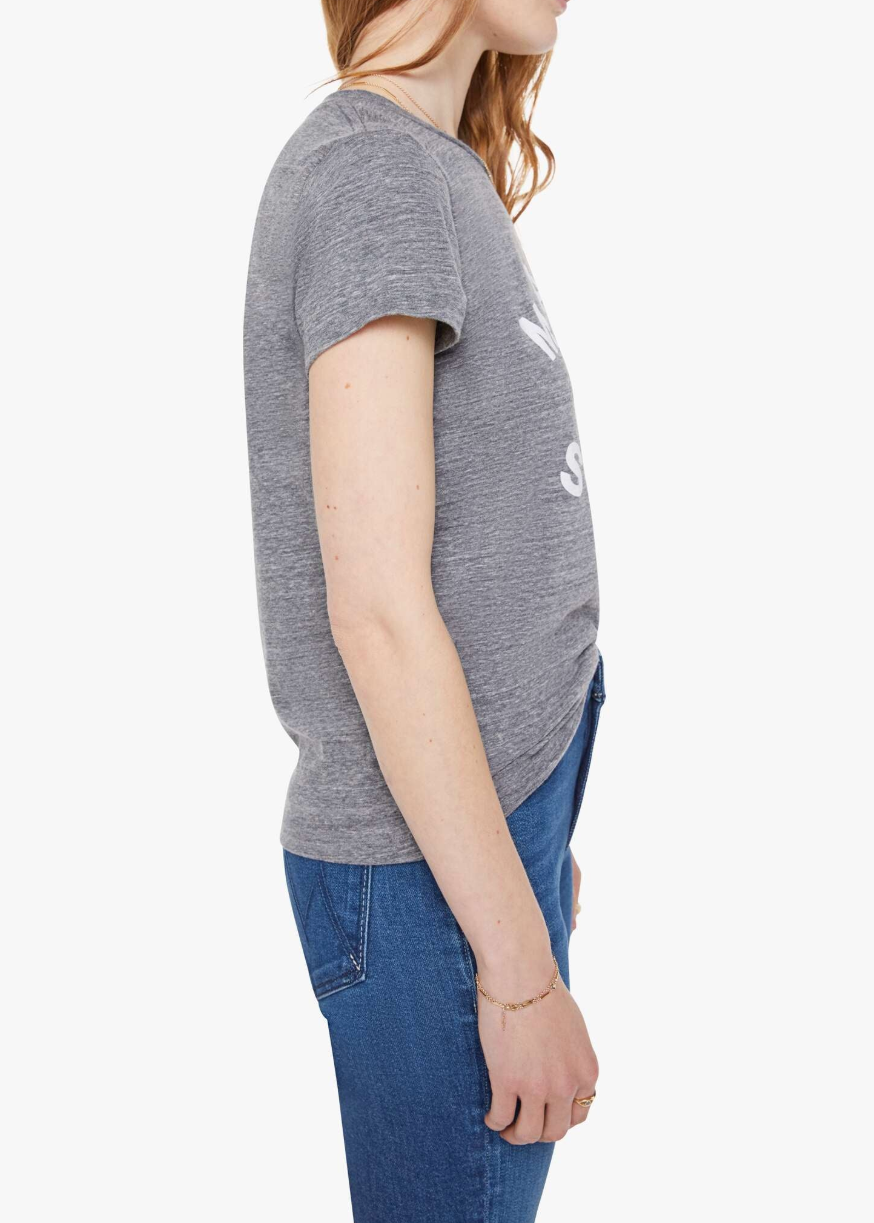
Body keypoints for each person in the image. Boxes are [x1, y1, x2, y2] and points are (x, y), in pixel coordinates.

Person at [242, 1, 607, 1218]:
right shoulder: (374, 172)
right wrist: (514, 965)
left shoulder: (423, 166)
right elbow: (379, 609)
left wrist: (536, 847)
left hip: (471, 849)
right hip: (427, 883)